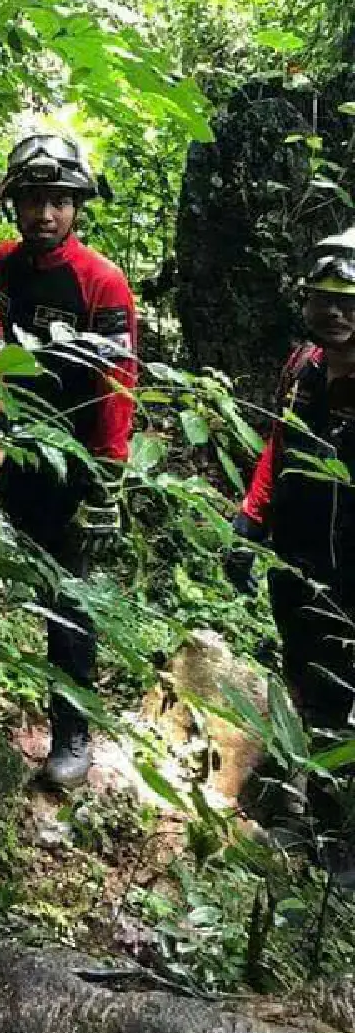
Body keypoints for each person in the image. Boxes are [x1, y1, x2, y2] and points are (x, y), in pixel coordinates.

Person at [0, 132, 137, 789]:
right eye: (32, 200)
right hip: (3, 444)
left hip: (70, 459)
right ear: (15, 204)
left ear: (77, 205)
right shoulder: (1, 265)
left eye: (57, 200)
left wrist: (107, 473)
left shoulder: (100, 280)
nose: (44, 214)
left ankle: (73, 732)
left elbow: (118, 382)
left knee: (67, 599)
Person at [230, 228, 355, 881]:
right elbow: (277, 449)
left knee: (345, 693)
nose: (334, 312)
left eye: (348, 301)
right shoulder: (301, 368)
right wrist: (249, 525)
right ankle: (300, 807)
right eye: (323, 298)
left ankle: (337, 832)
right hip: (297, 558)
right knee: (306, 680)